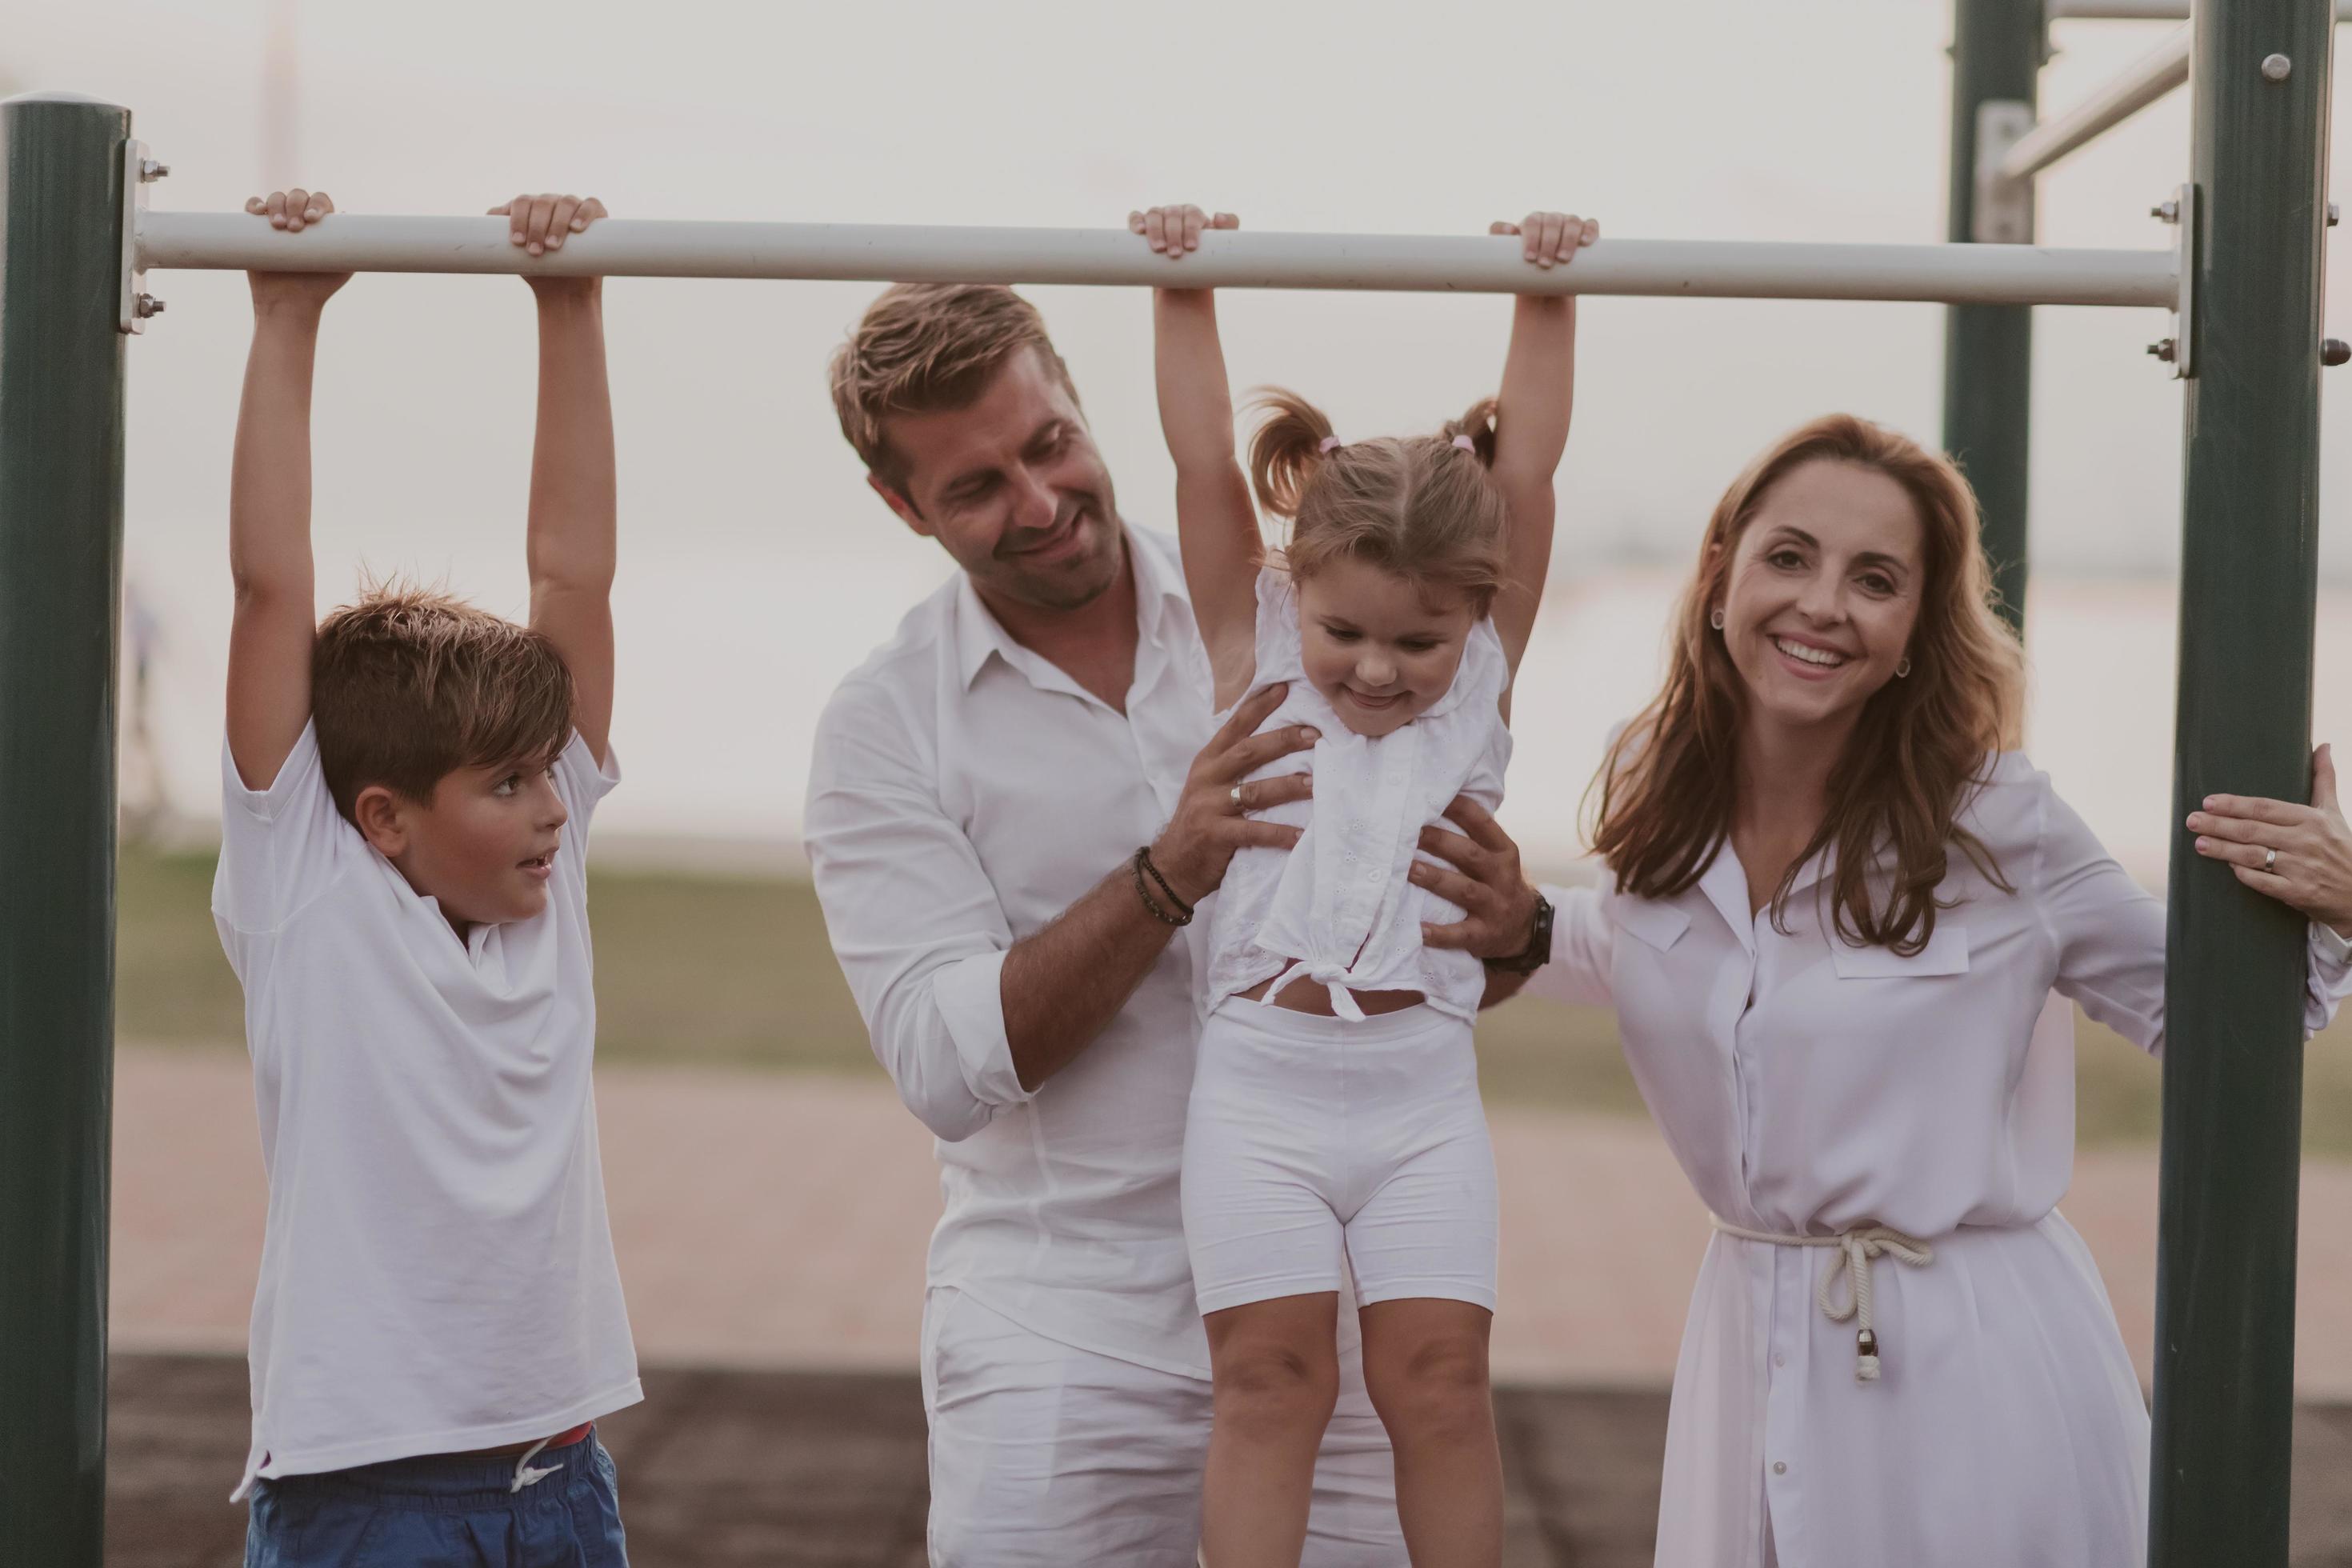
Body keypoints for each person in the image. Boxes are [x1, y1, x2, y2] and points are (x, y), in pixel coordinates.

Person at [1410, 413, 2352, 1567]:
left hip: (1973, 1365)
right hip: (1746, 1352)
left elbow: (2230, 1022)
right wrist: (1527, 925)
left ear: (1915, 629)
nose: (1822, 605)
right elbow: (1644, 946)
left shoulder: (2003, 828)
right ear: (1720, 579)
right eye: (1790, 557)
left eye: (1875, 579)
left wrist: (2342, 905)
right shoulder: (1665, 798)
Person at [807, 281, 1446, 1564]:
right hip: (1062, 1339)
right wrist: (1167, 875)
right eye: (977, 486)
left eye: (1048, 446)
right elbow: (944, 1069)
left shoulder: (1290, 623)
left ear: (1084, 410)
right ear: (901, 508)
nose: (1039, 503)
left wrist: (1507, 927)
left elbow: (1402, 924)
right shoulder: (881, 725)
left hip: (1330, 1330)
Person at [1131, 201, 1590, 1566]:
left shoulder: (1483, 683)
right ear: (1294, 593)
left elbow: (1538, 475)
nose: (1379, 669)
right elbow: (1200, 467)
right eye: (1347, 631)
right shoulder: (1256, 647)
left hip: (1419, 1098)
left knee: (1439, 1391)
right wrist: (1183, 283)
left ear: (1474, 618)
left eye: (1420, 640)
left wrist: (1546, 289)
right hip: (1262, 1086)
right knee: (1271, 1385)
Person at [214, 186, 638, 1563]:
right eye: (507, 785)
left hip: (561, 1474)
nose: (552, 811)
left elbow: (572, 576)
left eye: (547, 775)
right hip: (368, 1494)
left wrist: (567, 298)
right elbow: (274, 589)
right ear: (385, 818)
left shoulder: (539, 890)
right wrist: (289, 316)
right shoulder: (313, 892)